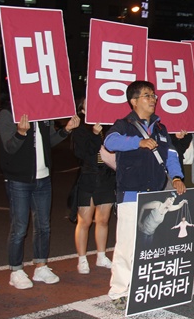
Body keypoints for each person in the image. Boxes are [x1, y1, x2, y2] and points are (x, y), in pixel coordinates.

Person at [104, 80, 186, 310]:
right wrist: (137, 142)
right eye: (147, 96)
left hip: (156, 194)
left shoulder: (160, 128)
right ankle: (119, 291)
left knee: (149, 245)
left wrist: (177, 177)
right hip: (131, 193)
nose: (153, 99)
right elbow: (110, 142)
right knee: (127, 246)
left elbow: (170, 154)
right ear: (134, 101)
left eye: (154, 96)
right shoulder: (124, 125)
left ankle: (142, 286)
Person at [0, 105, 80, 289]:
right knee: (19, 226)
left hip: (43, 178)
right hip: (19, 179)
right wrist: (20, 132)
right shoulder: (8, 112)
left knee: (43, 225)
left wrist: (66, 130)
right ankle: (16, 270)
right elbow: (9, 147)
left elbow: (48, 142)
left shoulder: (43, 110)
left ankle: (41, 266)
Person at [72, 98, 116, 275]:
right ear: (82, 110)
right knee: (85, 220)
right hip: (89, 177)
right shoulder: (80, 128)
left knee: (103, 219)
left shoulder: (109, 126)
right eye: (87, 106)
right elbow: (82, 153)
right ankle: (82, 259)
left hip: (106, 177)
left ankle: (101, 255)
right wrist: (94, 134)